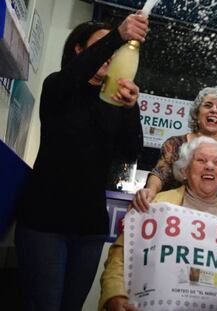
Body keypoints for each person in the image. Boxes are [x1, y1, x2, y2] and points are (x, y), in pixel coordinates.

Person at [14, 13, 149, 311]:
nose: (110, 53)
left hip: (89, 227)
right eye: (103, 45)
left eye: (114, 49)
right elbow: (73, 77)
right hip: (44, 222)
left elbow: (130, 153)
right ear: (78, 49)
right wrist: (119, 34)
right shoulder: (58, 88)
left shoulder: (113, 102)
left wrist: (130, 107)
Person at [99, 136, 217, 311]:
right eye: (201, 160)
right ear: (185, 171)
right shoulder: (155, 206)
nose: (210, 167)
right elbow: (120, 257)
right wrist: (114, 295)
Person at [132, 87, 217, 220]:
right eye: (208, 105)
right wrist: (151, 191)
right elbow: (160, 172)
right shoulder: (175, 144)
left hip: (216, 222)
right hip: (172, 218)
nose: (214, 110)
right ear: (197, 113)